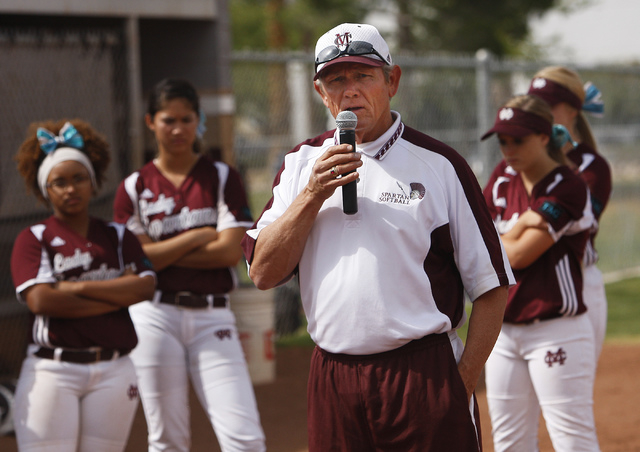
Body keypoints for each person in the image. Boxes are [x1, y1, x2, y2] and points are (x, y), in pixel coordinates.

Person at [241, 23, 513, 451]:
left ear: (392, 81)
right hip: (333, 378)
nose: (350, 91)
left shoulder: (440, 165)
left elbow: (493, 287)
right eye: (336, 79)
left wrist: (461, 381)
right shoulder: (300, 165)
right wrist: (312, 195)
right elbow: (263, 272)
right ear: (320, 91)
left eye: (363, 76)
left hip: (422, 375)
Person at [112, 78, 265, 452]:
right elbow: (137, 262)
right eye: (168, 120)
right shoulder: (133, 187)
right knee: (167, 440)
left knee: (244, 438)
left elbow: (230, 252)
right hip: (154, 315)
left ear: (199, 121)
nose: (178, 129)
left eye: (186, 119)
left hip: (212, 315)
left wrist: (162, 250)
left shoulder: (222, 176)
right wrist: (200, 235)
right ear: (151, 121)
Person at [10, 119, 156, 451]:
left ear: (93, 183)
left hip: (115, 369)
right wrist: (118, 295)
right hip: (53, 370)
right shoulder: (34, 239)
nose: (70, 188)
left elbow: (145, 288)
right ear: (45, 190)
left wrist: (73, 289)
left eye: (79, 179)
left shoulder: (118, 236)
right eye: (59, 182)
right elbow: (42, 302)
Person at [481, 94, 600, 451]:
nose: (508, 149)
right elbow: (477, 239)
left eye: (519, 139)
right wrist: (525, 222)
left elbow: (514, 256)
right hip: (502, 331)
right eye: (503, 140)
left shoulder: (568, 184)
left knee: (572, 440)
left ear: (544, 136)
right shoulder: (503, 177)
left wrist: (502, 236)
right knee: (509, 443)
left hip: (554, 329)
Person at [527, 66, 611, 359]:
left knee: (566, 400)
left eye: (550, 105)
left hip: (577, 283)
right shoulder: (524, 157)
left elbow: (566, 224)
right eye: (536, 105)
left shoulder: (592, 165)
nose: (542, 112)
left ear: (574, 110)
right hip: (525, 283)